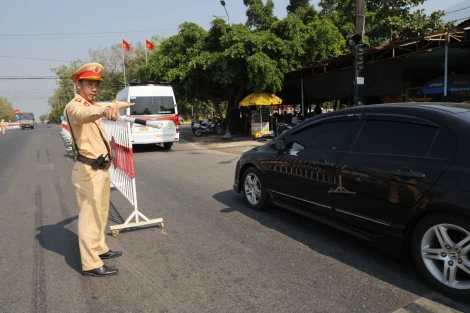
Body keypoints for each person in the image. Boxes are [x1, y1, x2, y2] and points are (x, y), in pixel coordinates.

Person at [64, 63, 133, 277]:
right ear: (78, 85)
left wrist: (120, 104)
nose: (94, 88)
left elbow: (107, 104)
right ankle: (91, 263)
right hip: (88, 170)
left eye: (97, 85)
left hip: (101, 168)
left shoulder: (92, 103)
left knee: (101, 214)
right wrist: (104, 110)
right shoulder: (75, 107)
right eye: (89, 84)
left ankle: (100, 248)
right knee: (89, 217)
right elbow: (85, 114)